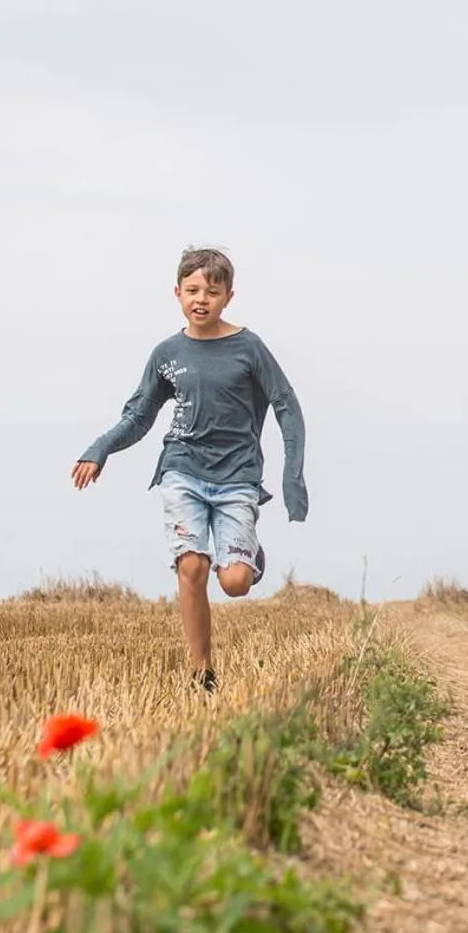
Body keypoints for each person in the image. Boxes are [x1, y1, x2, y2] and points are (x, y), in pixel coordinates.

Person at [72, 247, 308, 693]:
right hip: (182, 469)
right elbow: (139, 416)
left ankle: (246, 554)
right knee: (193, 567)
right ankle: (201, 673)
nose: (202, 299)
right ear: (177, 292)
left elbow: (286, 406)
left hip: (237, 475)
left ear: (229, 297)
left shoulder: (249, 347)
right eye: (193, 290)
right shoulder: (167, 353)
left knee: (234, 583)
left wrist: (291, 476)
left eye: (212, 292)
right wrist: (99, 448)